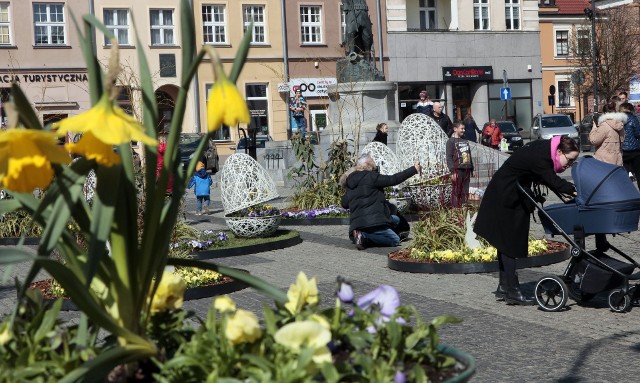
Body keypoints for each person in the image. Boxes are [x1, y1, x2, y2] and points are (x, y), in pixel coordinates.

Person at [474, 136, 578, 305]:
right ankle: (513, 292)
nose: (570, 165)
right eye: (570, 159)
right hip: (505, 197)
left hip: (508, 194)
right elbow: (553, 181)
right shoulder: (541, 157)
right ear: (559, 151)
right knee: (507, 243)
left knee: (504, 243)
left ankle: (504, 286)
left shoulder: (544, 150)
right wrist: (576, 190)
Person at [340, 154, 421, 250]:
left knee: (396, 219)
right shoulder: (371, 177)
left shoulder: (351, 181)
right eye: (373, 161)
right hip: (374, 222)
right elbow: (394, 179)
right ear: (368, 164)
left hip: (357, 225)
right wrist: (414, 169)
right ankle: (364, 236)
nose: (375, 163)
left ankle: (360, 235)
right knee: (395, 240)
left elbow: (344, 203)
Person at [446, 121, 474, 207]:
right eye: (462, 128)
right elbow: (449, 157)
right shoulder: (450, 141)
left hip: (467, 169)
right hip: (457, 169)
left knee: (465, 191)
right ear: (455, 129)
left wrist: (472, 168)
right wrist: (452, 171)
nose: (464, 130)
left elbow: (469, 154)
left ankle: (464, 207)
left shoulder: (465, 140)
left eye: (464, 128)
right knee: (456, 191)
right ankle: (456, 209)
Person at [589, 101, 626, 166]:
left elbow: (594, 140)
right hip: (617, 157)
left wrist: (594, 128)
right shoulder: (620, 124)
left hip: (604, 160)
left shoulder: (605, 125)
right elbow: (622, 139)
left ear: (605, 113)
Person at [620, 102, 640, 187]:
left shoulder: (618, 119)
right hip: (634, 149)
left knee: (624, 175)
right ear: (630, 109)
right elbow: (638, 133)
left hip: (623, 150)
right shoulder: (633, 118)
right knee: (638, 174)